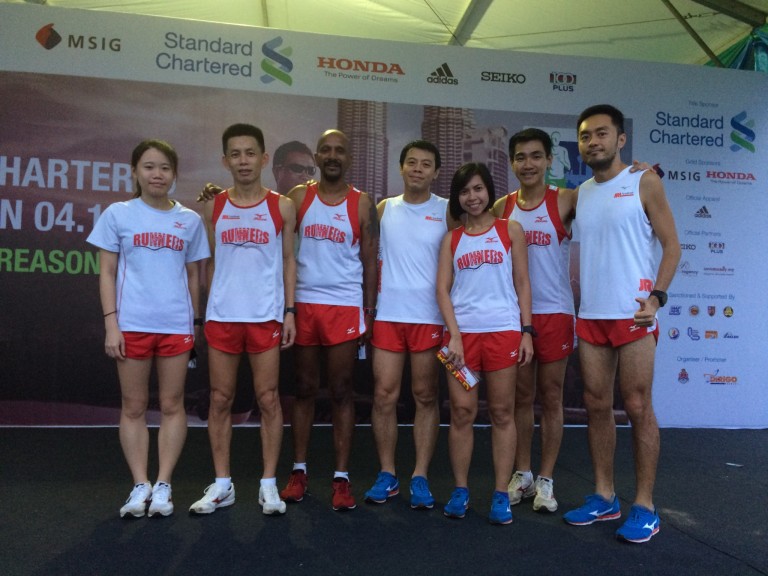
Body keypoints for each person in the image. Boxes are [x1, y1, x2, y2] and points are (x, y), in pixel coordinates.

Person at [562, 104, 680, 544]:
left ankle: (645, 506)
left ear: (620, 139)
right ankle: (604, 495)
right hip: (591, 316)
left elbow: (672, 246)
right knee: (596, 406)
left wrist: (657, 297)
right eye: (585, 136)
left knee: (636, 406)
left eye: (601, 133)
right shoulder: (581, 193)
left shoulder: (643, 181)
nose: (593, 142)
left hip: (634, 316)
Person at [87, 139, 209, 518]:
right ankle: (140, 484)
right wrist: (112, 325)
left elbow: (194, 276)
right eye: (149, 167)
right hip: (131, 325)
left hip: (175, 326)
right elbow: (107, 273)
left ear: (174, 175)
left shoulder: (190, 220)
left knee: (173, 405)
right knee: (134, 406)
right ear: (135, 172)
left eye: (165, 168)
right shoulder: (118, 214)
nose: (157, 175)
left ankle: (164, 484)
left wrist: (195, 323)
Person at [188, 124, 297, 516]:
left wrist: (289, 311)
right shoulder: (212, 206)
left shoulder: (282, 206)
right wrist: (205, 313)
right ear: (225, 161)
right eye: (235, 154)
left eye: (250, 153)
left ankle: (268, 485)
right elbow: (209, 263)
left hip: (265, 315)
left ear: (263, 158)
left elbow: (289, 260)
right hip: (223, 316)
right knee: (220, 399)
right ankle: (222, 484)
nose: (243, 161)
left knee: (268, 398)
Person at [279, 129, 378, 511]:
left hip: (344, 306)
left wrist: (369, 311)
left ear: (349, 158)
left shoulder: (362, 203)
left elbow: (370, 261)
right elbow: (261, 209)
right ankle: (299, 471)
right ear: (317, 157)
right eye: (326, 150)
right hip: (305, 303)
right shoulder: (298, 197)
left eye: (340, 150)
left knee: (341, 390)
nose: (333, 156)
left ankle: (341, 477)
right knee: (304, 388)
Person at [436, 162, 534, 525]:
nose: (472, 197)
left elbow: (522, 283)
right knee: (462, 413)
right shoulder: (452, 239)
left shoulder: (510, 230)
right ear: (457, 197)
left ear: (489, 190)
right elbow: (441, 289)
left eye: (478, 188)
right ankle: (460, 490)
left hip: (503, 333)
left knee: (502, 413)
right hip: (460, 341)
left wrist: (526, 331)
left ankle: (499, 494)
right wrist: (454, 336)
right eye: (464, 191)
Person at [364, 140, 460, 509]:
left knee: (425, 396)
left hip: (430, 318)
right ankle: (387, 473)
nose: (418, 169)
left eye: (426, 164)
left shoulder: (446, 210)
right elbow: (366, 254)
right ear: (401, 167)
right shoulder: (385, 208)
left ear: (436, 172)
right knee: (384, 396)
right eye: (412, 162)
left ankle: (420, 475)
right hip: (389, 315)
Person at [492, 128, 576, 514]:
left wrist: (636, 173)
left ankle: (546, 478)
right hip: (516, 315)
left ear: (549, 160)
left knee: (552, 397)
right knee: (521, 397)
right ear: (512, 162)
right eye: (521, 157)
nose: (528, 164)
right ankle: (523, 472)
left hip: (555, 311)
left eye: (536, 156)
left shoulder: (566, 200)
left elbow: (609, 193)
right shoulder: (501, 207)